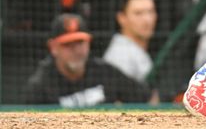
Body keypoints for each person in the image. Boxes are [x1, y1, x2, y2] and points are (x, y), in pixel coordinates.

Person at [23, 13, 151, 106]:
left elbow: (144, 96)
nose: (76, 50)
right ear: (53, 47)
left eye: (80, 42)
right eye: (67, 44)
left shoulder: (104, 72)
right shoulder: (39, 87)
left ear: (89, 42)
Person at [103, 0, 158, 86]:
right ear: (121, 18)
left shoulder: (134, 50)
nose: (147, 20)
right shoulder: (120, 55)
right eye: (138, 13)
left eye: (151, 11)